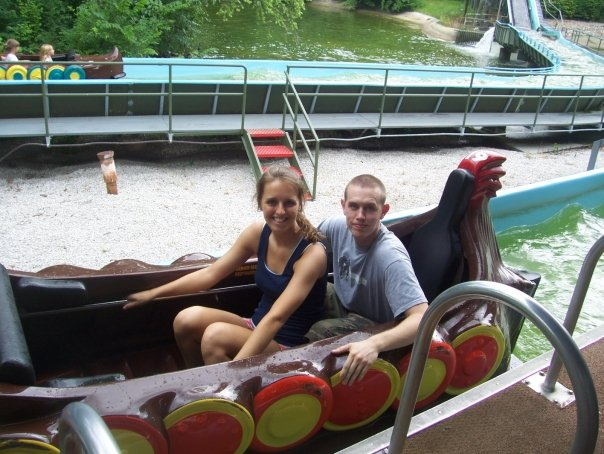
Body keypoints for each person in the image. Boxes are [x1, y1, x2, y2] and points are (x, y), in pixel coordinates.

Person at [124, 166, 327, 367]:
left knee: (215, 338)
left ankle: (223, 385)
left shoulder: (312, 254)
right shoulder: (258, 233)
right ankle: (198, 380)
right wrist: (153, 293)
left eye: (289, 203)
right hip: (256, 325)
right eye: (272, 202)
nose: (280, 211)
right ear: (260, 203)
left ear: (300, 203)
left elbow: (276, 318)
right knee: (185, 320)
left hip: (290, 346)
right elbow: (211, 273)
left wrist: (232, 371)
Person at [306, 174, 428, 385]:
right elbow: (301, 247)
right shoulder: (335, 227)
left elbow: (421, 319)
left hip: (375, 324)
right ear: (343, 206)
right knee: (309, 287)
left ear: (384, 211)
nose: (360, 216)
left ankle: (304, 375)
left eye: (370, 208)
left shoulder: (391, 257)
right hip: (345, 303)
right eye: (353, 206)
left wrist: (374, 344)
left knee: (321, 330)